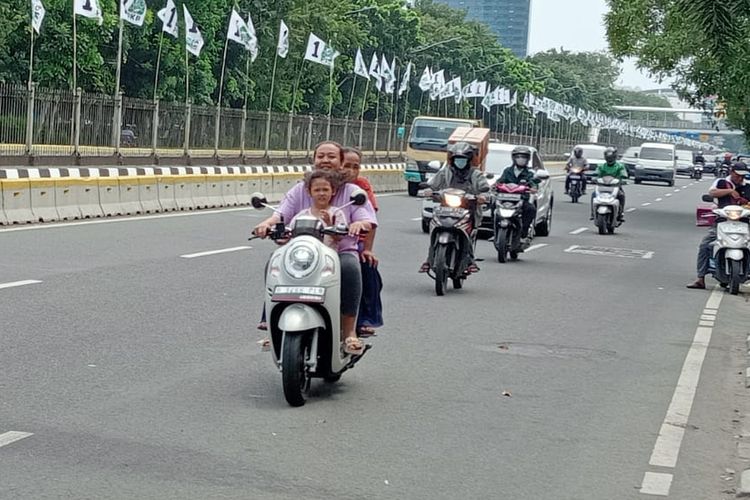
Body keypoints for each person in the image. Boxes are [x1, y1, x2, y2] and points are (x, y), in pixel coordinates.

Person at [254, 141, 378, 355]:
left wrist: (359, 224)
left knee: (350, 268)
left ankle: (349, 333)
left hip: (339, 253)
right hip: (303, 254)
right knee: (274, 262)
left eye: (331, 157)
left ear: (341, 162)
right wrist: (267, 225)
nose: (325, 160)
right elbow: (280, 214)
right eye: (321, 156)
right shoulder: (299, 190)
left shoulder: (352, 192)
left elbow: (367, 218)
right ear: (313, 160)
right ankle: (271, 325)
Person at [418, 141, 490, 274]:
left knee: (469, 233)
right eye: (457, 159)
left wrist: (482, 197)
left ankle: (470, 261)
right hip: (445, 209)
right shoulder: (445, 172)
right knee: (434, 230)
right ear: (453, 159)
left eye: (463, 159)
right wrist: (428, 190)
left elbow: (485, 189)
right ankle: (429, 259)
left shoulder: (476, 174)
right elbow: (433, 185)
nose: (460, 162)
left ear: (468, 160)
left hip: (469, 210)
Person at [686, 162, 750, 290]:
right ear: (732, 172)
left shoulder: (747, 187)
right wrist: (730, 191)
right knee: (705, 245)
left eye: (742, 176)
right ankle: (700, 278)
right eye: (738, 175)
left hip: (744, 222)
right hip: (722, 221)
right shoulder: (722, 183)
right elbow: (712, 193)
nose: (740, 178)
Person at [342, 147, 383, 338]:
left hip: (349, 244)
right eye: (346, 165)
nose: (350, 171)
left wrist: (367, 249)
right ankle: (271, 319)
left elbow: (370, 219)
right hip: (316, 243)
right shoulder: (319, 182)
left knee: (367, 267)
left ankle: (365, 318)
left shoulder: (360, 188)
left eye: (355, 167)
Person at [291, 169, 344, 250]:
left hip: (328, 256)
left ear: (333, 191)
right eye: (317, 190)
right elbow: (291, 234)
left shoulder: (337, 213)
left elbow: (340, 238)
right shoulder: (302, 215)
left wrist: (329, 224)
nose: (321, 193)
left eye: (325, 190)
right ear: (309, 192)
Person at [497, 145, 539, 242]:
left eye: (523, 157)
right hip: (505, 199)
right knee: (494, 206)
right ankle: (495, 231)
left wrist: (533, 188)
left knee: (531, 209)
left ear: (527, 159)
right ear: (514, 158)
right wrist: (495, 186)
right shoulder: (507, 171)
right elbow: (500, 181)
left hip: (521, 200)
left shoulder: (530, 173)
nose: (521, 159)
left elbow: (533, 183)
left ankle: (523, 233)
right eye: (518, 157)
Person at [590, 146, 628, 222]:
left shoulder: (619, 166)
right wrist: (594, 178)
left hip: (615, 186)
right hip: (602, 187)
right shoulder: (602, 166)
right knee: (594, 195)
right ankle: (593, 213)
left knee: (621, 195)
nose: (609, 159)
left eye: (611, 157)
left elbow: (624, 174)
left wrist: (622, 179)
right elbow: (596, 173)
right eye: (608, 157)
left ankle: (621, 213)